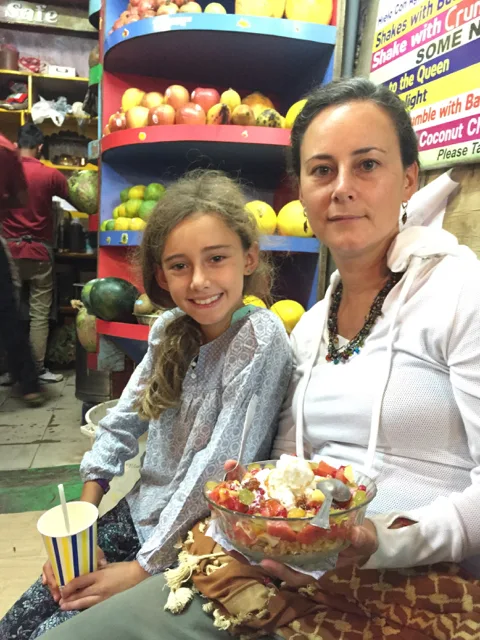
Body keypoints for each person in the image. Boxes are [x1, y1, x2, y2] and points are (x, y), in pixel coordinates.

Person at [36, 77, 480, 640]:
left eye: (367, 165)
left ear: (409, 178)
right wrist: (256, 496)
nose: (342, 188)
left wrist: (381, 541)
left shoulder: (461, 293)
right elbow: (287, 459)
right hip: (276, 564)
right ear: (302, 192)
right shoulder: (312, 326)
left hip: (410, 580)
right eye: (322, 170)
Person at [0, 169, 292, 639]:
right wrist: (81, 526)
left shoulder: (260, 337)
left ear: (249, 257)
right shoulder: (168, 329)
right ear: (160, 274)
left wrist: (140, 569)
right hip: (139, 513)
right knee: (20, 621)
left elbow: (214, 470)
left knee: (53, 631)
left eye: (216, 258)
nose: (199, 281)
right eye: (179, 266)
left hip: (198, 540)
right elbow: (120, 424)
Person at [2, 123, 70, 384]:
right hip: (40, 253)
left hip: (10, 252)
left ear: (16, 145)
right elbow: (83, 201)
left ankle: (10, 370)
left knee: (8, 312)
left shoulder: (7, 169)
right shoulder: (50, 174)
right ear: (40, 147)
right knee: (39, 314)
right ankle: (38, 369)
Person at [0, 133, 44, 406]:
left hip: (15, 246)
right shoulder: (5, 149)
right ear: (40, 147)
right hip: (37, 251)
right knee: (10, 314)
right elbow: (20, 198)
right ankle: (29, 383)